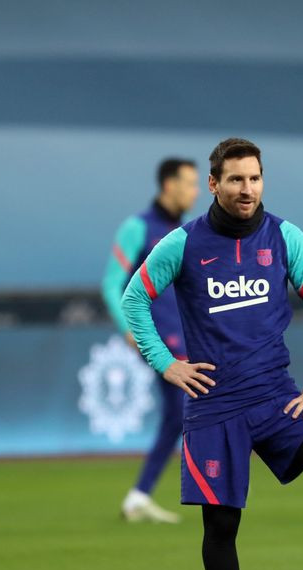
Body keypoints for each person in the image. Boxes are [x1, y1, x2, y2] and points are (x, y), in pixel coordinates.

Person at [121, 137, 303, 570]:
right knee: (221, 523)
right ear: (214, 184)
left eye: (254, 178)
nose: (246, 189)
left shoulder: (284, 236)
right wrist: (167, 363)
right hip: (214, 405)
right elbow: (134, 298)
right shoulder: (182, 244)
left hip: (275, 396)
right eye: (235, 179)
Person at [102, 157, 199, 523]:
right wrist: (127, 326)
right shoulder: (137, 227)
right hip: (158, 339)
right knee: (184, 409)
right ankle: (144, 495)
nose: (194, 192)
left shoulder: (186, 231)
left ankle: (140, 496)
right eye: (189, 183)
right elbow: (112, 283)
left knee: (180, 414)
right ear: (168, 185)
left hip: (185, 337)